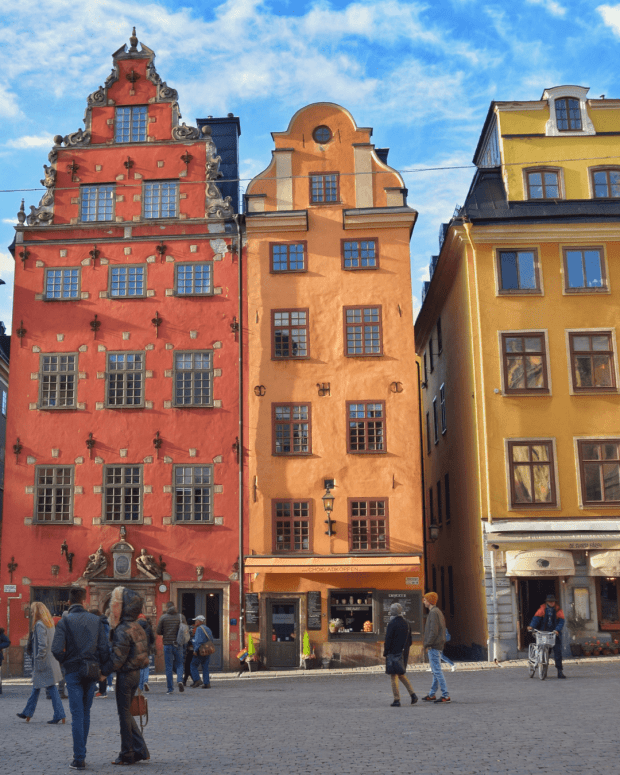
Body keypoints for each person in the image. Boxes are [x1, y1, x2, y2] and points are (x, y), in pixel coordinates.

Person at [52, 586, 109, 771]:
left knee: (77, 715)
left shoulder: (64, 621)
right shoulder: (96, 620)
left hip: (73, 671)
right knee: (86, 713)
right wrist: (101, 668)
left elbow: (55, 649)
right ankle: (81, 753)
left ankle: (79, 758)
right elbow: (104, 649)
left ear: (69, 602)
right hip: (91, 671)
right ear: (84, 600)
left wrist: (66, 661)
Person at [101, 586, 150, 766]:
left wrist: (103, 673)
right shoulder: (137, 626)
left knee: (124, 715)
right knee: (126, 713)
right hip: (136, 674)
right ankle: (140, 749)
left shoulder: (122, 629)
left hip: (126, 675)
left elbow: (118, 658)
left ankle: (127, 753)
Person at [16, 603, 66, 724]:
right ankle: (27, 712)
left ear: (37, 612)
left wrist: (38, 659)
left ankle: (59, 714)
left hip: (43, 662)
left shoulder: (39, 624)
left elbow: (42, 645)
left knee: (50, 688)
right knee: (38, 687)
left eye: (33, 611)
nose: (32, 614)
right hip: (50, 661)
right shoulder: (49, 624)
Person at [383, 603, 418, 707]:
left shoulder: (392, 623)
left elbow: (388, 640)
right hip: (403, 653)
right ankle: (413, 695)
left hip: (393, 653)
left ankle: (396, 699)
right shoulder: (407, 623)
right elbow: (410, 641)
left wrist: (386, 652)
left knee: (394, 676)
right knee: (401, 674)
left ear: (392, 612)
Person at [528, 593, 566, 679]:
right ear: (547, 602)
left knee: (558, 653)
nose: (551, 603)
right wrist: (531, 626)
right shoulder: (542, 609)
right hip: (544, 633)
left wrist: (557, 630)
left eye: (553, 602)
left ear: (554, 602)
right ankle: (543, 668)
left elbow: (561, 621)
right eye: (550, 602)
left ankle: (560, 671)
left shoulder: (558, 610)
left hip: (554, 634)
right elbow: (536, 619)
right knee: (543, 650)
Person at [421, 592, 451, 704]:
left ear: (429, 601)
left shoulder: (433, 613)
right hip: (437, 645)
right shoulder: (436, 612)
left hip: (434, 646)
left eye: (425, 600)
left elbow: (433, 632)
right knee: (435, 671)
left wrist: (427, 644)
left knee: (437, 671)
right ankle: (432, 694)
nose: (423, 601)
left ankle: (445, 695)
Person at [156, 601, 187, 694]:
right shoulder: (181, 617)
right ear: (174, 607)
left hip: (167, 644)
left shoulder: (163, 617)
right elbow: (185, 629)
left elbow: (158, 631)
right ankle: (180, 680)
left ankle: (170, 689)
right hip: (178, 644)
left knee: (169, 667)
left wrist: (165, 632)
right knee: (180, 664)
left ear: (167, 607)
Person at [189, 615, 214, 689]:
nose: (195, 622)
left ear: (200, 621)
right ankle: (207, 683)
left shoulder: (199, 629)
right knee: (205, 667)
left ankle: (197, 680)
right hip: (207, 650)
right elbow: (211, 639)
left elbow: (198, 641)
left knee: (193, 665)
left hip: (201, 650)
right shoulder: (207, 628)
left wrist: (195, 650)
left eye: (196, 621)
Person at [137, 613, 155, 691]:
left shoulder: (135, 626)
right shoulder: (148, 626)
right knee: (146, 665)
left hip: (138, 649)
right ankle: (145, 681)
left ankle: (140, 686)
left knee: (140, 666)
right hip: (146, 648)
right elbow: (152, 638)